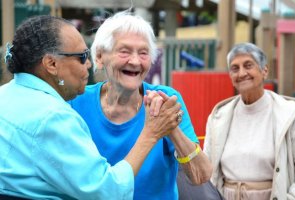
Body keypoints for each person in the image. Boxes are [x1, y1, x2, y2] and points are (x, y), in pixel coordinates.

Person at [0, 15, 182, 200]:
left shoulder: (4, 96)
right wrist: (151, 134)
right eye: (81, 57)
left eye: (143, 53)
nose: (88, 64)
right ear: (51, 64)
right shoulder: (54, 117)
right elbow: (108, 192)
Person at [69, 10, 212, 200]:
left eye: (143, 53)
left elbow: (200, 176)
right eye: (124, 51)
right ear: (100, 57)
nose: (135, 61)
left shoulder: (167, 99)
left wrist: (170, 128)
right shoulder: (76, 101)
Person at [203, 42, 295, 200]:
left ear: (264, 71)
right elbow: (207, 170)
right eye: (235, 68)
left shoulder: (290, 114)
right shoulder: (218, 117)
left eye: (248, 65)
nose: (241, 73)